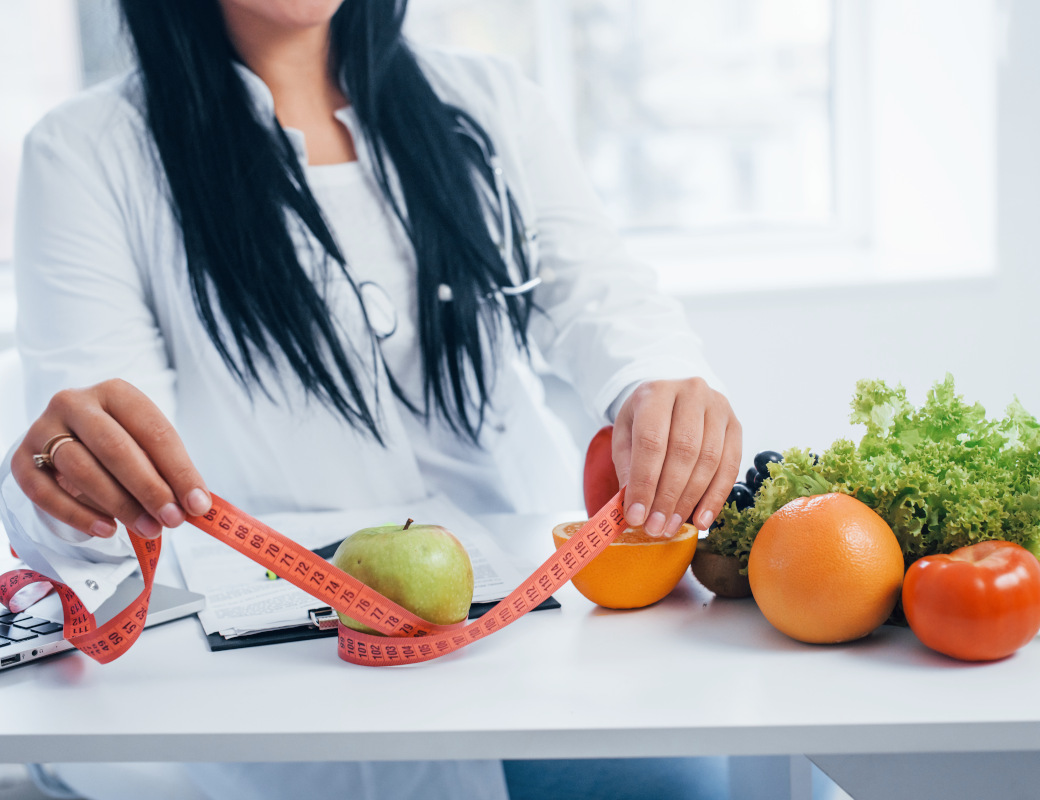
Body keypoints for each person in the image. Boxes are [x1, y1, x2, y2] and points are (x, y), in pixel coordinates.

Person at [0, 0, 741, 798]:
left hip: (547, 650)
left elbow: (604, 297)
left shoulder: (490, 101)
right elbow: (106, 440)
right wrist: (79, 477)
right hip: (294, 676)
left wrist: (658, 383)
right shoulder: (86, 152)